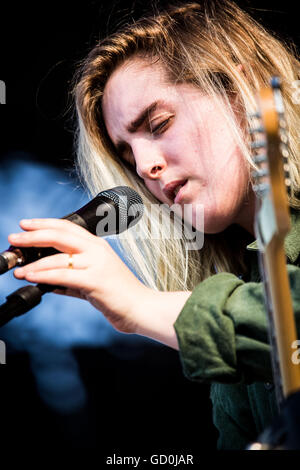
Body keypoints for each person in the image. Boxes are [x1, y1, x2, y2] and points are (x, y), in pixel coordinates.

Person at [7, 0, 300, 449]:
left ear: (240, 94)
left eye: (159, 124)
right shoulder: (238, 284)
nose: (144, 168)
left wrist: (139, 304)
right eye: (127, 157)